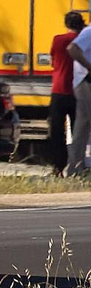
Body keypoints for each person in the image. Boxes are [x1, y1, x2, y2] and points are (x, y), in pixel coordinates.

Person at [47, 12, 85, 173]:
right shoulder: (84, 41)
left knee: (57, 130)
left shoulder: (58, 40)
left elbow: (52, 62)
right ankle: (78, 165)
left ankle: (58, 166)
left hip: (59, 90)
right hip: (79, 91)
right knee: (80, 131)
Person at [65, 16, 91, 175]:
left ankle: (77, 166)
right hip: (86, 82)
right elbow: (72, 49)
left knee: (84, 124)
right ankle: (75, 166)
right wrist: (89, 67)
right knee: (84, 123)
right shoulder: (89, 32)